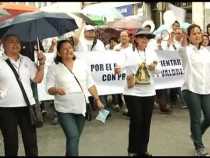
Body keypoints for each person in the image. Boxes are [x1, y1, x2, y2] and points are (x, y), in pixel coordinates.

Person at [46, 39, 104, 156]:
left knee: (74, 138)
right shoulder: (54, 67)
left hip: (81, 108)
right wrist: (56, 90)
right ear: (58, 53)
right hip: (64, 109)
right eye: (64, 49)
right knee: (73, 136)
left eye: (70, 48)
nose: (68, 50)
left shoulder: (81, 64)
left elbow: (90, 84)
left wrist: (97, 99)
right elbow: (49, 88)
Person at [115, 28, 160, 156]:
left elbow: (159, 69)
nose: (145, 39)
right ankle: (132, 150)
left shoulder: (151, 53)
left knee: (146, 122)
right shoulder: (127, 52)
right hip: (132, 92)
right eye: (142, 37)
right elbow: (119, 65)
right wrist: (118, 69)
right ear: (135, 39)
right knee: (137, 120)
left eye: (147, 38)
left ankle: (143, 150)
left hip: (149, 92)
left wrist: (154, 68)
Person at [0, 34, 46, 156]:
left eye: (18, 42)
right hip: (6, 108)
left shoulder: (26, 60)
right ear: (3, 44)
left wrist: (41, 64)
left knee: (31, 142)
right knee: (11, 142)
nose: (15, 44)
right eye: (11, 42)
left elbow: (37, 79)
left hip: (27, 106)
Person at [178, 24, 210, 156]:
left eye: (199, 33)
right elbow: (182, 49)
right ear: (189, 36)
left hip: (206, 88)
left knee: (209, 116)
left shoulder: (206, 51)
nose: (198, 35)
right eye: (194, 33)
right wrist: (183, 38)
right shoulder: (186, 50)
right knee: (196, 118)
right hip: (191, 88)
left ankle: (195, 134)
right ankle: (199, 146)